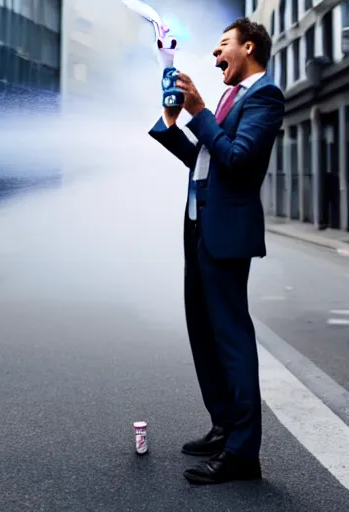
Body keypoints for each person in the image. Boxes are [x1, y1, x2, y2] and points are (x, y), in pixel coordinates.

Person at [149, 18, 285, 484]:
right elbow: (204, 159)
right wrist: (174, 123)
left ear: (248, 47)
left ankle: (243, 453)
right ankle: (224, 425)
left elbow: (237, 159)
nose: (214, 55)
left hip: (226, 232)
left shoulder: (265, 95)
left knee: (231, 338)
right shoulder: (230, 98)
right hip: (199, 225)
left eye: (222, 46)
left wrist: (201, 110)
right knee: (202, 331)